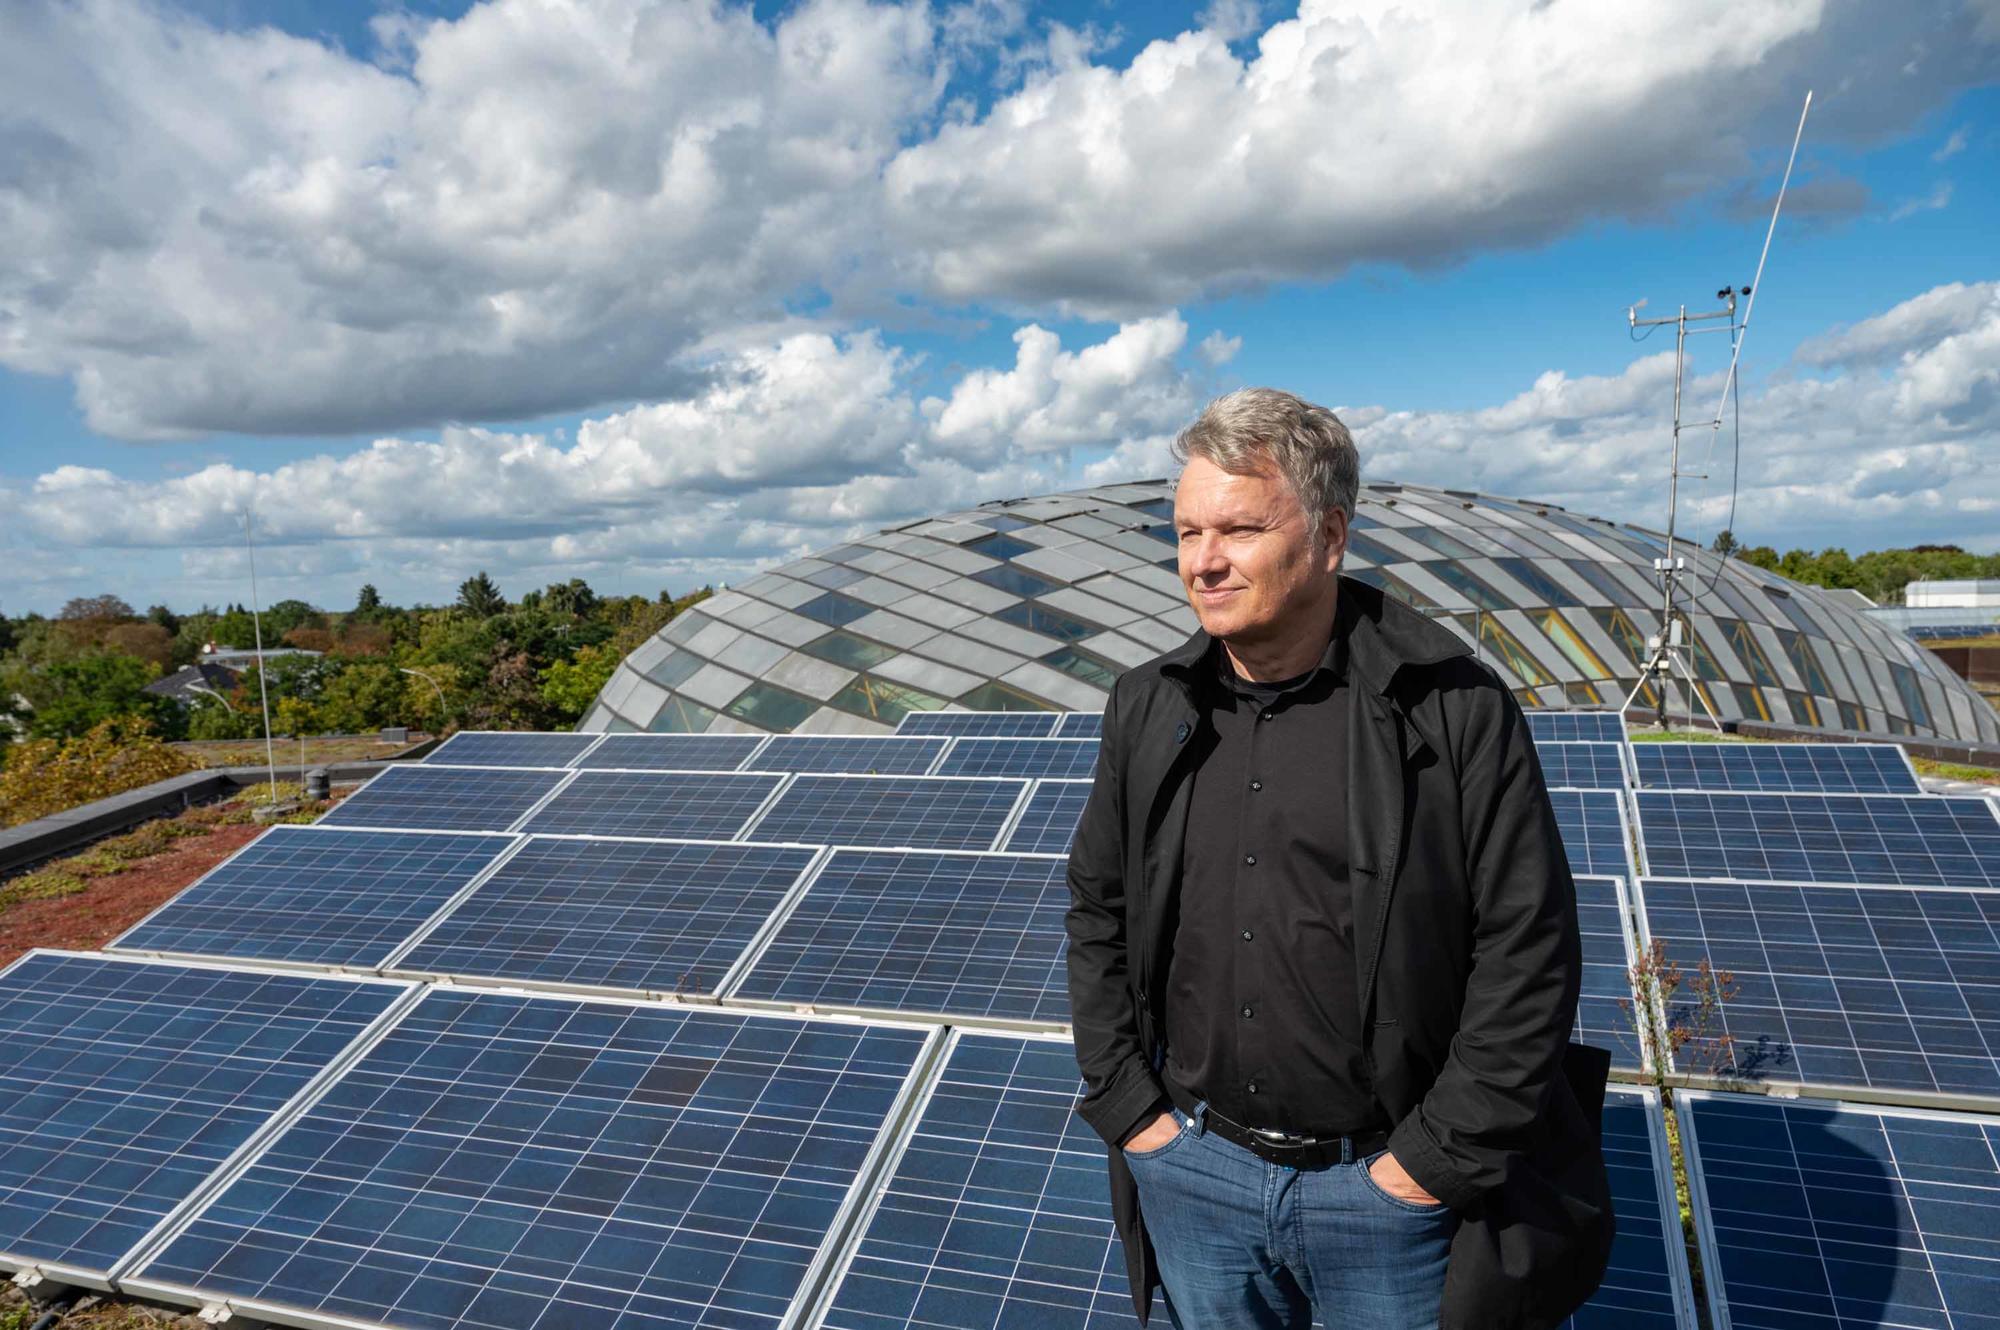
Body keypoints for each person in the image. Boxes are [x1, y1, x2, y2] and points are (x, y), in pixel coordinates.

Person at [1064, 388, 1614, 1329]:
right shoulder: (1148, 706)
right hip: (1196, 1174)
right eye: (1188, 531)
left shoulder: (1450, 709)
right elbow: (1098, 912)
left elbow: (1528, 955)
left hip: (1386, 1197)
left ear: (1329, 535)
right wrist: (1134, 1116)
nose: (1203, 562)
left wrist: (1424, 1170)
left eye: (1238, 528)